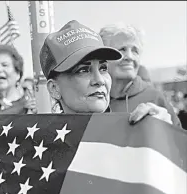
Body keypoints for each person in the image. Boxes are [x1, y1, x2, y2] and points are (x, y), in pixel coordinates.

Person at [39, 20, 172, 125]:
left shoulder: (138, 126)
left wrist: (163, 136)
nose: (100, 80)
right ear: (54, 88)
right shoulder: (39, 144)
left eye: (103, 68)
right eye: (83, 70)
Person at [99, 23, 181, 126]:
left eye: (135, 51)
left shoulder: (155, 97)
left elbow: (180, 140)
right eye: (122, 49)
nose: (129, 56)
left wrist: (167, 131)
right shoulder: (91, 97)